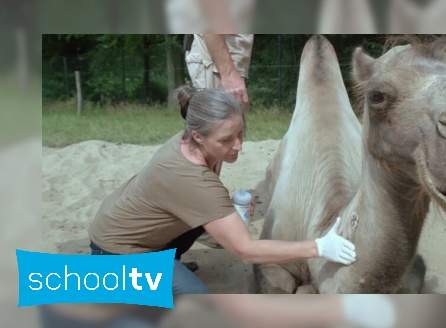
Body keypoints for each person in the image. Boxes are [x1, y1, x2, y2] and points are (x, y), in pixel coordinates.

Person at [87, 85, 356, 294]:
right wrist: (319, 247)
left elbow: (202, 201)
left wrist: (227, 210)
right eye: (226, 139)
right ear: (197, 136)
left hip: (125, 223)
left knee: (214, 213)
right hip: (115, 254)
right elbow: (245, 251)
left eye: (240, 133)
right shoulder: (193, 179)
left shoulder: (193, 145)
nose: (238, 145)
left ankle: (169, 262)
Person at [185, 33, 254, 249]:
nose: (239, 146)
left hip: (220, 60)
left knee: (216, 149)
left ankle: (199, 222)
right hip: (216, 62)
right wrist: (228, 72)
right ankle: (202, 225)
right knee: (209, 147)